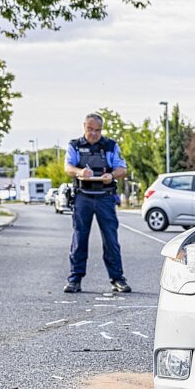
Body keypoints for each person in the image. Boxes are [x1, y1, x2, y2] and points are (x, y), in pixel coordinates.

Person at [63, 113, 131, 293]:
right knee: (79, 238)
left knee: (111, 239)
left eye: (97, 130)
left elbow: (122, 168)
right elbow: (68, 167)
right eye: (90, 129)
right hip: (82, 197)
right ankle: (74, 279)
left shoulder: (110, 146)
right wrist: (79, 172)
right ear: (84, 126)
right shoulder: (75, 145)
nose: (94, 134)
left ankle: (117, 279)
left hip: (104, 197)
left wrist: (112, 175)